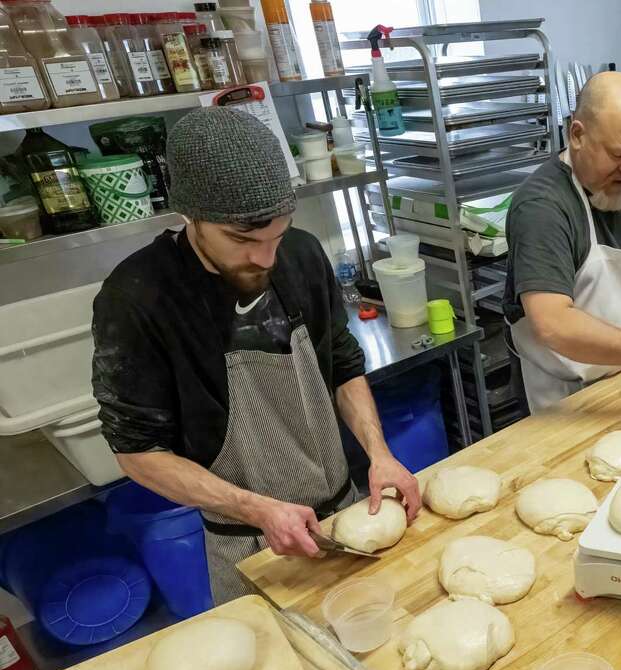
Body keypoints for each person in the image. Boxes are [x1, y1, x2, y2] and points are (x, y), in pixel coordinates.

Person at [92, 107, 420, 604]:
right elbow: (137, 452)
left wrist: (380, 454)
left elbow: (343, 366)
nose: (265, 258)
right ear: (190, 215)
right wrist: (255, 509)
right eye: (243, 240)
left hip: (347, 517)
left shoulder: (304, 256)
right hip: (250, 543)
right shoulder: (138, 297)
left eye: (277, 236)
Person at [502, 71, 621, 412]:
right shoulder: (542, 207)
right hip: (564, 400)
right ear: (577, 135)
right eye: (619, 155)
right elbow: (553, 323)